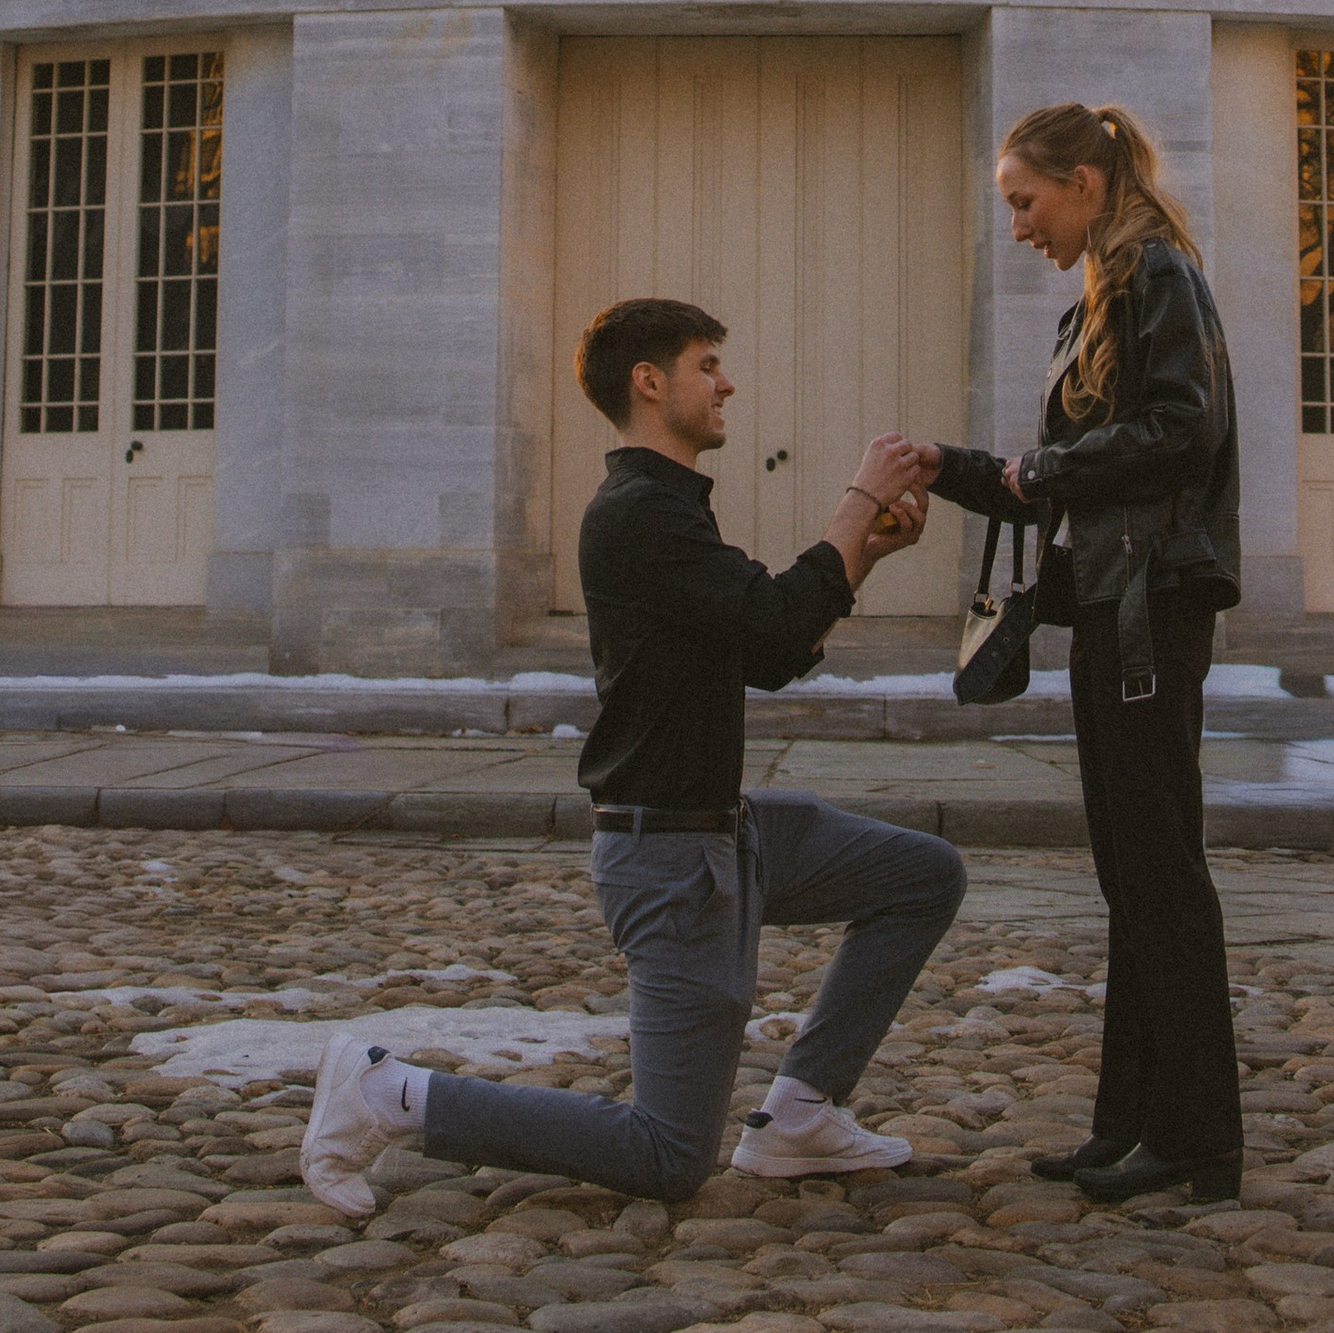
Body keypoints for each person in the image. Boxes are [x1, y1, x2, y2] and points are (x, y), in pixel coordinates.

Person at [301, 296, 963, 1210]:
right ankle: (392, 1092)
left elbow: (770, 652)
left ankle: (802, 1115)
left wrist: (866, 556)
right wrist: (857, 503)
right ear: (650, 383)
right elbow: (773, 619)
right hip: (670, 862)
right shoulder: (636, 515)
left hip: (732, 837)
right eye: (706, 365)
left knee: (920, 874)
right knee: (666, 1156)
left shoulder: (669, 512)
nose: (726, 382)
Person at [926, 99, 1242, 1203]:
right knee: (1131, 872)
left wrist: (1038, 475)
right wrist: (959, 466)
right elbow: (1091, 461)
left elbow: (1174, 430)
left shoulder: (1154, 272)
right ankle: (1130, 1123)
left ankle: (1197, 1135)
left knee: (1159, 870)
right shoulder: (1108, 291)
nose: (1018, 225)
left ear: (1086, 183)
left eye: (1025, 200)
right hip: (1119, 605)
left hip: (1152, 613)